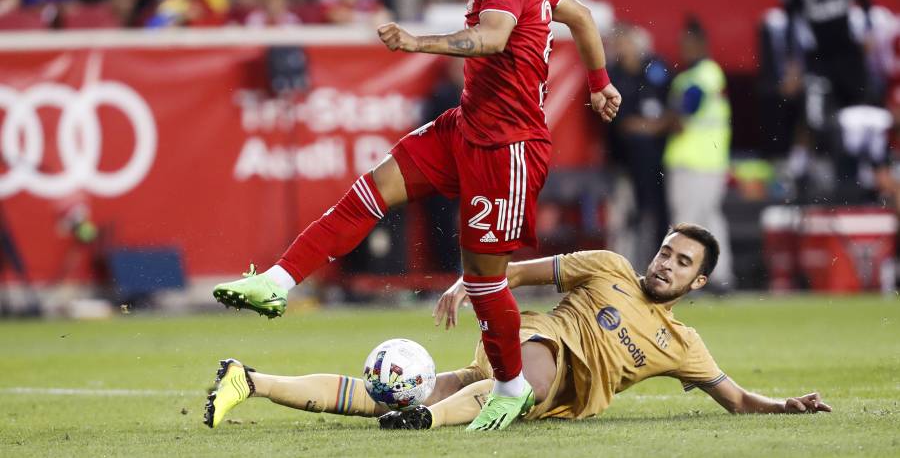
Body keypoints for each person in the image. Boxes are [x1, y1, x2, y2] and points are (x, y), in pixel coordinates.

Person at [211, 0, 621, 432]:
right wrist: (599, 84)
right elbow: (585, 18)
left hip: (507, 149)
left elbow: (492, 39)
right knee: (369, 190)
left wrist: (415, 42)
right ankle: (279, 281)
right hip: (465, 128)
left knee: (482, 282)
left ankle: (510, 387)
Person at [203, 223, 831, 430]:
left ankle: (249, 381)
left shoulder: (682, 344)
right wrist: (463, 281)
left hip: (534, 393)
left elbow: (738, 400)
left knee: (390, 392)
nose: (666, 263)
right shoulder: (608, 266)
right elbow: (521, 270)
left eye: (682, 262)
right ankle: (427, 423)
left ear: (697, 284)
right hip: (532, 346)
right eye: (666, 251)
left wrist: (786, 407)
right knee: (531, 368)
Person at [663, 18, 733, 290]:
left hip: (696, 162)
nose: (685, 48)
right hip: (704, 162)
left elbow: (683, 114)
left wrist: (659, 121)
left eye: (689, 43)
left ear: (702, 44)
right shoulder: (693, 76)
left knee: (688, 224)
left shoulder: (704, 74)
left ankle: (681, 280)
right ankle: (721, 277)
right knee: (708, 220)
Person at [779, 0, 874, 112]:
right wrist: (792, 64)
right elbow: (790, 27)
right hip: (817, 58)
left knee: (859, 109)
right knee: (818, 116)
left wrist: (868, 33)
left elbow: (867, 4)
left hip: (850, 53)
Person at [608, 23, 671, 270]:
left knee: (655, 216)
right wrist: (649, 126)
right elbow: (622, 123)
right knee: (626, 218)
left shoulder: (655, 68)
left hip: (657, 159)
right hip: (623, 161)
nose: (620, 49)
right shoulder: (614, 74)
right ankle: (625, 268)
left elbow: (669, 112)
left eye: (624, 44)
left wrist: (651, 126)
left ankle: (656, 265)